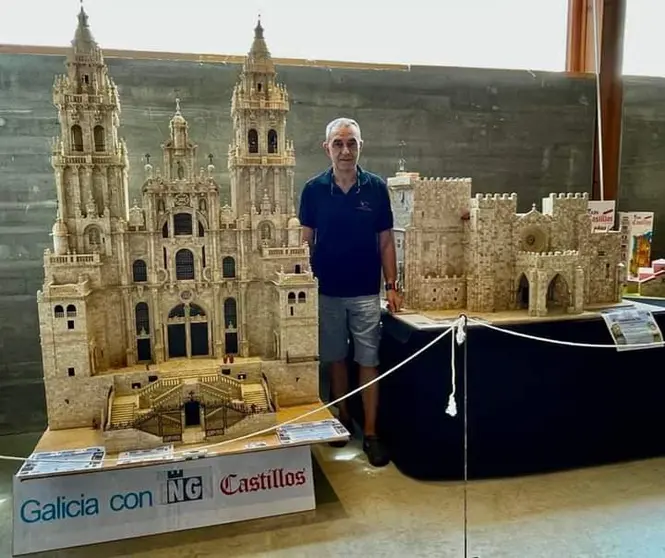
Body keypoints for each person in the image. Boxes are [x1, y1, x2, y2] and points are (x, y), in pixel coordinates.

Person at [298, 117, 401, 467]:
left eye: (351, 143)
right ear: (327, 148)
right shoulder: (313, 190)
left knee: (368, 360)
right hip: (327, 291)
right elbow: (304, 242)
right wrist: (303, 283)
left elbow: (386, 241)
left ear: (360, 146)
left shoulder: (375, 188)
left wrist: (392, 286)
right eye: (338, 143)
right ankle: (342, 418)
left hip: (365, 293)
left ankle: (370, 433)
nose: (345, 150)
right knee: (336, 358)